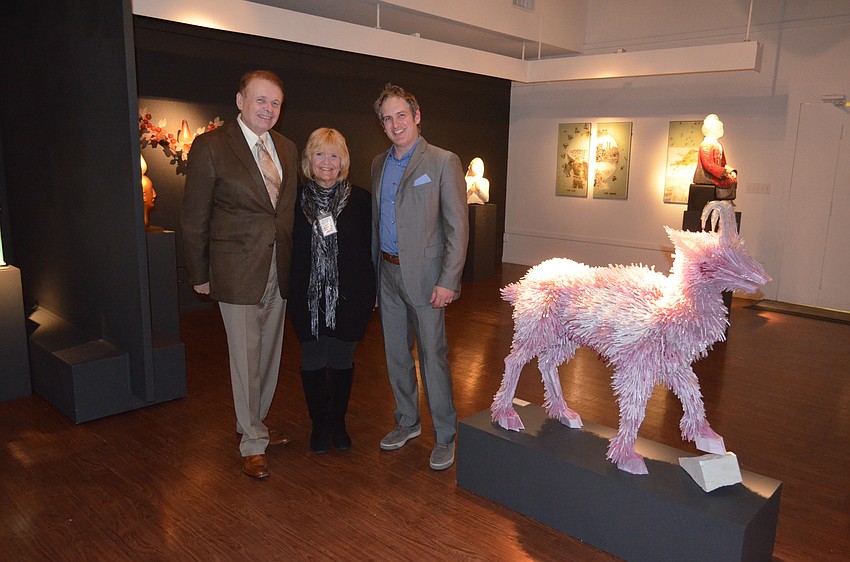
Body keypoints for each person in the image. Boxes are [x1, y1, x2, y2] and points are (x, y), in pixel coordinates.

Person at [181, 70, 298, 479]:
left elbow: (283, 213)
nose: (268, 109)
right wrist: (199, 272)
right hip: (235, 271)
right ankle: (252, 441)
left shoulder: (286, 147)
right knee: (244, 357)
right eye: (260, 100)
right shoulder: (211, 147)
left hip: (277, 269)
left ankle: (255, 424)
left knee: (268, 355)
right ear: (240, 100)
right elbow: (194, 217)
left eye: (275, 103)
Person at [370, 83, 469, 471]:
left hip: (429, 279)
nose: (395, 124)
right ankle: (407, 422)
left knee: (433, 358)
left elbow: (457, 228)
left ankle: (445, 435)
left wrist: (449, 280)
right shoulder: (379, 163)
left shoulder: (443, 162)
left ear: (416, 116)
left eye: (401, 115)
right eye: (387, 118)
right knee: (396, 356)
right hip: (388, 273)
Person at [289, 128, 375, 454]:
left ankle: (338, 422)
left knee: (341, 360)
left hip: (350, 298)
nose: (327, 162)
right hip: (305, 298)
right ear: (309, 159)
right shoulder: (294, 200)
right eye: (320, 154)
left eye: (334, 155)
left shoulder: (363, 200)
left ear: (344, 161)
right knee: (312, 360)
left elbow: (371, 250)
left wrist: (371, 297)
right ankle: (319, 424)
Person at [693, 113, 737, 200]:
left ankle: (725, 203)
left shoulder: (718, 145)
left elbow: (723, 163)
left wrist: (730, 171)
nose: (721, 129)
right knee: (727, 182)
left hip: (716, 172)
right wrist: (723, 172)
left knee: (732, 179)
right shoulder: (706, 144)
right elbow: (708, 164)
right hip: (707, 174)